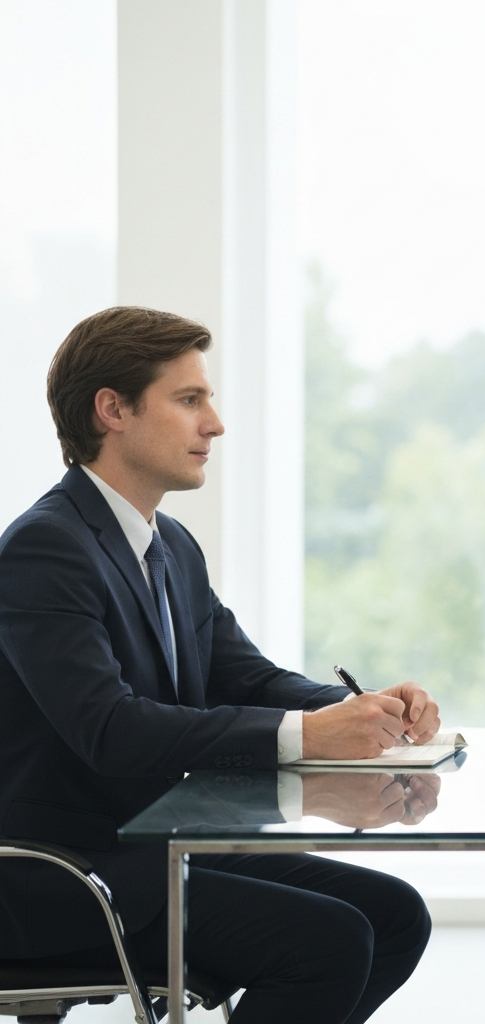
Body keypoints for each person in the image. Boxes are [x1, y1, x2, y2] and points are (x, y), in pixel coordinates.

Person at [0, 306, 441, 1024]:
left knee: (394, 915)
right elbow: (111, 730)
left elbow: (249, 678)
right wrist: (307, 738)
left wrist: (362, 711)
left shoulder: (169, 545)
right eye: (189, 399)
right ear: (111, 410)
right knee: (326, 943)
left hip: (154, 849)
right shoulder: (44, 550)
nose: (215, 423)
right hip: (68, 874)